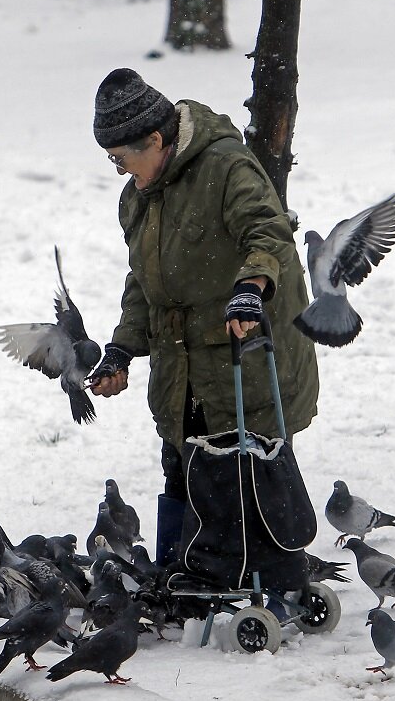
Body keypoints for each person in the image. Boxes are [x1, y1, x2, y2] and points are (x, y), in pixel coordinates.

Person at [86, 68, 320, 568]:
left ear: (155, 139)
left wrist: (250, 289)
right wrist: (122, 349)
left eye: (123, 158)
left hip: (244, 352)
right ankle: (182, 571)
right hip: (182, 364)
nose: (121, 170)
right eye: (113, 160)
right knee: (183, 466)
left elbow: (268, 232)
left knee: (246, 475)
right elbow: (143, 283)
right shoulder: (140, 197)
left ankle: (265, 578)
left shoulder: (226, 168)